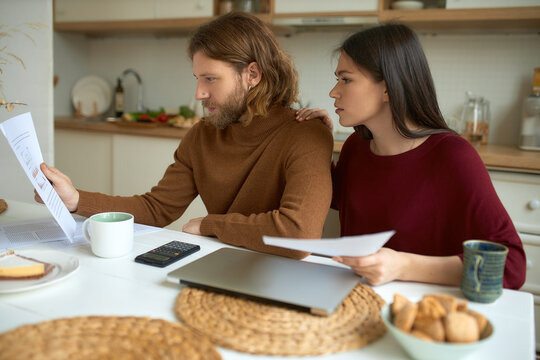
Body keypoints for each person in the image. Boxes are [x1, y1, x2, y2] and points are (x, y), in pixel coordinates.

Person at [38, 12, 334, 259]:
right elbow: (157, 208)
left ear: (252, 75)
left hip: (278, 272)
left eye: (211, 79)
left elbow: (299, 233)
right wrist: (77, 200)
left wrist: (210, 224)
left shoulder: (305, 134)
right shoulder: (202, 136)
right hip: (220, 262)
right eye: (197, 78)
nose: (199, 93)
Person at [296, 23, 526, 289]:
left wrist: (401, 267)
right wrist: (316, 141)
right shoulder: (355, 147)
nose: (333, 92)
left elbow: (512, 266)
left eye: (346, 79)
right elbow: (325, 197)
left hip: (422, 313)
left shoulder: (454, 157)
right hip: (352, 303)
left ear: (388, 88)